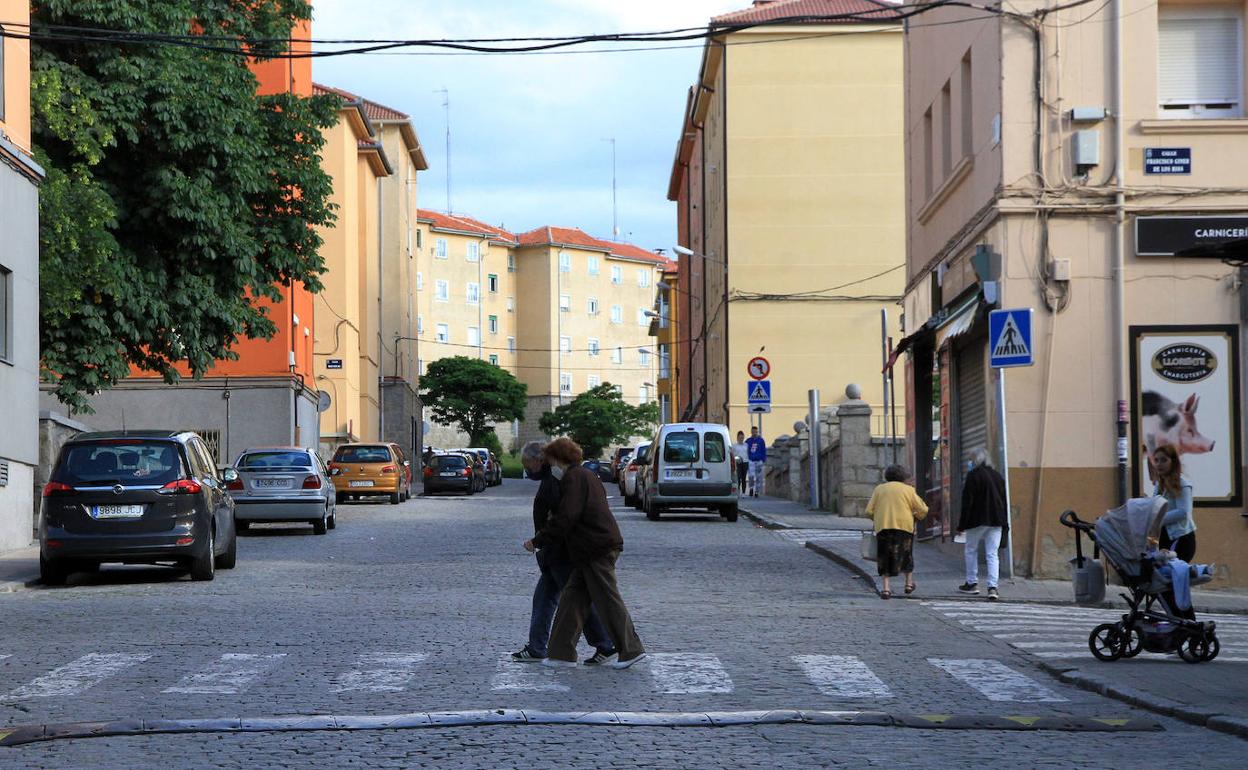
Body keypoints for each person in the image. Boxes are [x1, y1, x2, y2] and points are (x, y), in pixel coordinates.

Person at [525, 437, 646, 670]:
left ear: (560, 459)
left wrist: (537, 540)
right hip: (587, 550)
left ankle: (631, 650)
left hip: (597, 548)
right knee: (572, 599)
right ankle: (561, 654)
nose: (550, 465)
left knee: (608, 599)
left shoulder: (575, 478)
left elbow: (566, 517)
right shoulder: (584, 476)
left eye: (551, 460)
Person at [512, 442, 618, 666]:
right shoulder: (553, 478)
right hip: (554, 550)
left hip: (560, 551)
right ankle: (537, 646)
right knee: (545, 598)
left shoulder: (559, 479)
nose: (527, 469)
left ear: (539, 460)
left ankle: (605, 643)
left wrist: (539, 541)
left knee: (576, 601)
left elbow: (564, 517)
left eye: (527, 464)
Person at [866, 464, 929, 599]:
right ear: (903, 476)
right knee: (906, 554)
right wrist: (916, 518)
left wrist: (877, 518)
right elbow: (923, 509)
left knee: (884, 556)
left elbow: (869, 511)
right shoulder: (908, 490)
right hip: (904, 527)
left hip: (884, 527)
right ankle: (908, 584)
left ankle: (886, 589)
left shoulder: (879, 489)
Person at [956, 447, 1008, 601]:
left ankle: (972, 583)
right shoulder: (997, 476)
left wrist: (961, 525)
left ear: (976, 460)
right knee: (992, 554)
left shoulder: (973, 476)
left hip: (977, 520)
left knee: (971, 550)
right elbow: (1004, 500)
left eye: (971, 459)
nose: (969, 462)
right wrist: (1005, 523)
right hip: (997, 520)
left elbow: (967, 502)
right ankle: (993, 587)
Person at [1147, 445, 1196, 562]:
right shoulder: (1160, 484)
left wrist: (1158, 519)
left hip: (1180, 537)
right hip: (1164, 536)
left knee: (1176, 573)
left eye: (1164, 460)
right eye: (1156, 460)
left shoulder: (1182, 484)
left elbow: (1184, 512)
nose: (1159, 464)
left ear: (1173, 462)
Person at [745, 426, 767, 497]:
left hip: (759, 461)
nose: (754, 433)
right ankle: (751, 488)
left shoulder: (761, 440)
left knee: (758, 477)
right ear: (751, 432)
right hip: (751, 460)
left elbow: (764, 450)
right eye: (753, 432)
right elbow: (746, 450)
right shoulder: (748, 441)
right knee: (751, 476)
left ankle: (756, 491)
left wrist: (763, 460)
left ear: (757, 432)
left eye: (755, 432)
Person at [732, 431, 749, 495]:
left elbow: (748, 454)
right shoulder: (734, 446)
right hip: (738, 463)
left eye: (742, 438)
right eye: (740, 438)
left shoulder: (746, 445)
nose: (741, 439)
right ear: (737, 438)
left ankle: (744, 492)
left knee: (744, 478)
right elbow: (733, 455)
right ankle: (738, 490)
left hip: (745, 462)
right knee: (738, 477)